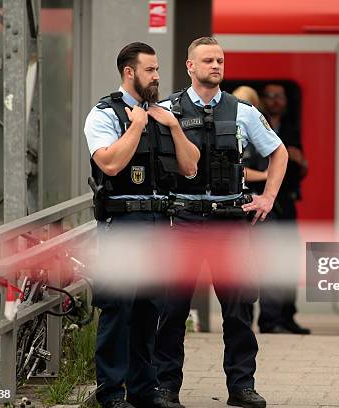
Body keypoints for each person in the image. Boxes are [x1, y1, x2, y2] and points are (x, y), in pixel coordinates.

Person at [155, 37, 288, 408]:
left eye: (220, 60)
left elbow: (278, 152)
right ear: (190, 66)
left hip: (229, 221)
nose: (216, 65)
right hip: (181, 221)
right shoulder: (167, 110)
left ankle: (241, 387)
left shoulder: (242, 111)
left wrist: (268, 198)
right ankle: (165, 389)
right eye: (208, 60)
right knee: (171, 309)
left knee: (239, 309)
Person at [84, 42, 199, 408]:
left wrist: (176, 128)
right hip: (122, 223)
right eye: (150, 70)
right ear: (129, 73)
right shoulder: (104, 114)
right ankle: (111, 393)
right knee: (119, 311)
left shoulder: (165, 113)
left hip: (158, 223)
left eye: (158, 69)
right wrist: (135, 127)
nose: (157, 76)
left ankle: (142, 391)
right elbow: (111, 164)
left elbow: (190, 167)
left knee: (151, 309)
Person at [235, 84, 310, 335]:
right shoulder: (232, 132)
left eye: (246, 102)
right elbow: (238, 169)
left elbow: (283, 160)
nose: (240, 107)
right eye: (236, 101)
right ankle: (256, 321)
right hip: (243, 206)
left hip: (269, 206)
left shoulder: (260, 131)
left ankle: (275, 320)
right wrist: (266, 174)